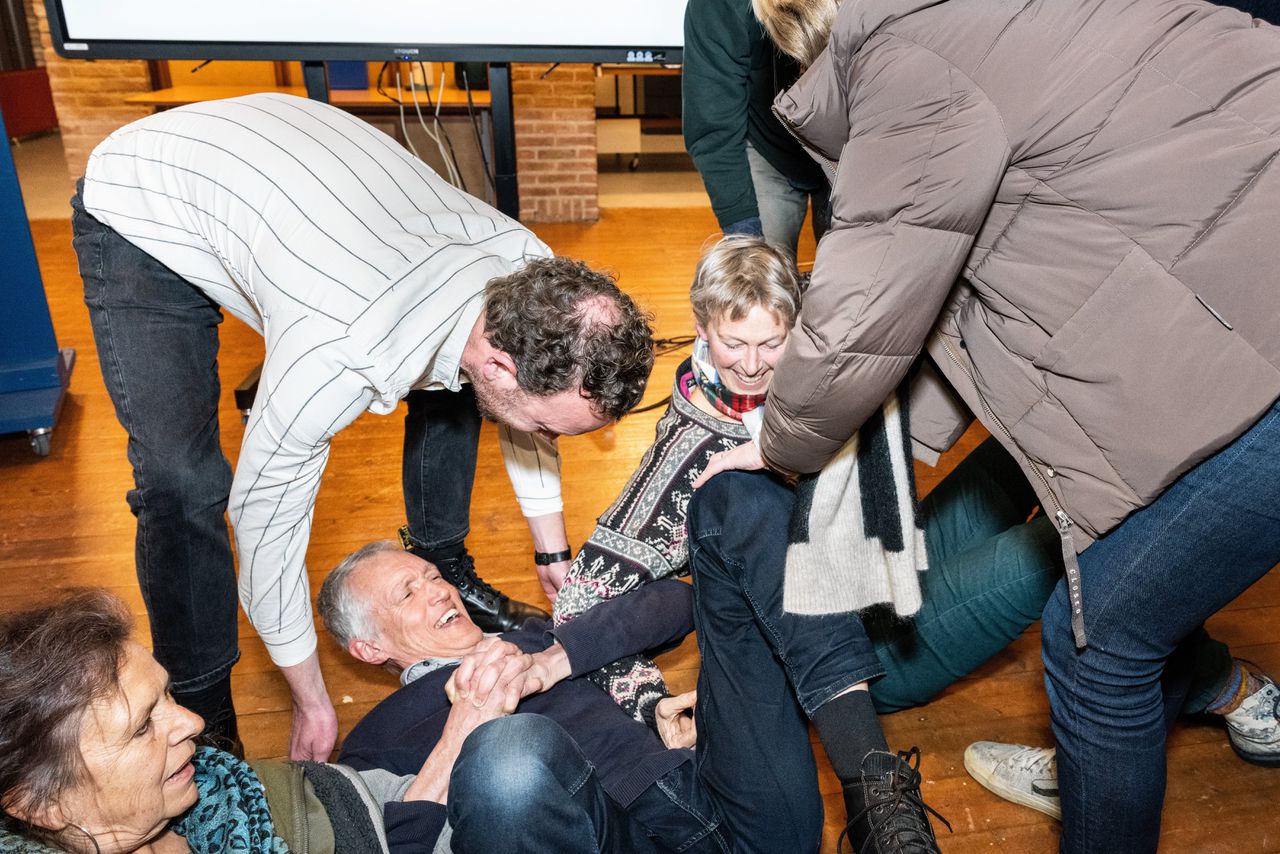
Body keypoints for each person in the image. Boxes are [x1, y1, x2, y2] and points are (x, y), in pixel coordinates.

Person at [705, 0, 1280, 850]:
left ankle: (1124, 755)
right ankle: (1120, 756)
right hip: (1228, 284)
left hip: (1247, 331)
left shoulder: (908, 63)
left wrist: (782, 439)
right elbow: (974, 293)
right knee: (1107, 577)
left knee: (1096, 644)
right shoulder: (977, 24)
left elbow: (867, 307)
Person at [71, 92, 654, 761]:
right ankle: (200, 707)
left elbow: (527, 409)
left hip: (294, 180)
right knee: (183, 484)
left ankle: (449, 567)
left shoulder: (534, 278)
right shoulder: (342, 347)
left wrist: (551, 554)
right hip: (149, 203)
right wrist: (311, 698)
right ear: (501, 360)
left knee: (468, 391)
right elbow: (265, 521)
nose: (549, 441)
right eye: (553, 430)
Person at [319, 539, 946, 853]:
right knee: (505, 758)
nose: (439, 592)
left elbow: (675, 604)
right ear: (370, 649)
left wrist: (552, 660)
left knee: (737, 506)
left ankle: (877, 796)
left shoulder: (534, 635)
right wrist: (465, 728)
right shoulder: (375, 737)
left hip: (709, 791)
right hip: (606, 838)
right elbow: (396, 844)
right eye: (408, 594)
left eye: (433, 576)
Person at [0, 590, 399, 854]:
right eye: (142, 727)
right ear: (43, 805)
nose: (194, 722)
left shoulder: (229, 787)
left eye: (168, 694)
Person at [682, 0, 830, 253]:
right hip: (769, 148)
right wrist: (747, 236)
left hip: (846, 147)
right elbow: (714, 123)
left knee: (855, 278)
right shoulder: (718, 6)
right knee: (761, 271)